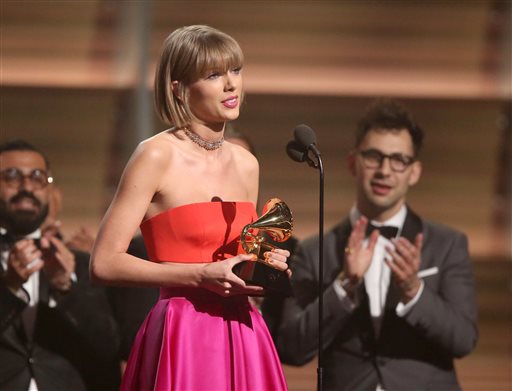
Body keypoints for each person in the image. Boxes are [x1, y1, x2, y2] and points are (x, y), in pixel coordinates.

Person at [90, 25, 290, 390]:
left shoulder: (247, 164)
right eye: (214, 75)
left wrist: (264, 268)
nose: (231, 84)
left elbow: (239, 261)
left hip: (243, 332)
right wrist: (199, 275)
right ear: (178, 87)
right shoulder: (155, 155)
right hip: (183, 331)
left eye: (235, 70)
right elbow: (103, 262)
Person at [276, 99, 478, 390]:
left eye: (399, 160)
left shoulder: (448, 244)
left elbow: (463, 340)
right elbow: (291, 348)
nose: (385, 170)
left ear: (414, 171)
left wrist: (414, 291)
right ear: (352, 162)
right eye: (374, 156)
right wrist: (343, 286)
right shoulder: (313, 251)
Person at [0, 139, 120, 391]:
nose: (26, 187)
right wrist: (9, 288)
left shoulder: (83, 263)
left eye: (37, 177)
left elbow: (108, 347)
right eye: (11, 176)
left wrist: (66, 287)